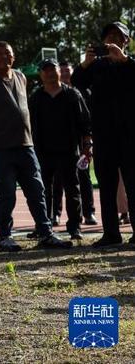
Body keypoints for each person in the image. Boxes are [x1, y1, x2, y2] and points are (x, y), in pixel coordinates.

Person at [0, 41, 72, 252]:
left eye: (7, 53)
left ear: (13, 57)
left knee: (37, 191)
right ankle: (4, 237)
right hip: (1, 147)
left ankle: (46, 233)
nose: (3, 57)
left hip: (26, 145)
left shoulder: (21, 77)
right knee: (7, 193)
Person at [71, 21, 135, 246]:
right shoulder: (96, 67)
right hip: (104, 135)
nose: (113, 40)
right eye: (109, 36)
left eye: (118, 36)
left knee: (133, 183)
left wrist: (125, 61)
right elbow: (76, 83)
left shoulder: (131, 63)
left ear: (126, 40)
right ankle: (111, 234)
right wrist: (86, 64)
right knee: (107, 187)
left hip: (129, 136)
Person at [28, 59, 92, 240]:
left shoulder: (72, 94)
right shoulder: (36, 97)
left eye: (52, 69)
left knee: (73, 190)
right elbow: (28, 123)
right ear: (40, 74)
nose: (49, 73)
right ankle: (44, 226)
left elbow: (85, 123)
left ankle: (74, 227)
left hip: (69, 150)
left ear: (58, 71)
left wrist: (87, 145)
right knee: (42, 190)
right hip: (43, 152)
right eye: (45, 70)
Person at [55, 60, 97, 225]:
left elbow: (89, 119)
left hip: (80, 144)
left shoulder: (83, 91)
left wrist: (88, 142)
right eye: (62, 71)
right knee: (57, 180)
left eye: (68, 71)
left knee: (84, 178)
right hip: (59, 144)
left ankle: (89, 213)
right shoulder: (52, 92)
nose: (65, 74)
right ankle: (55, 213)